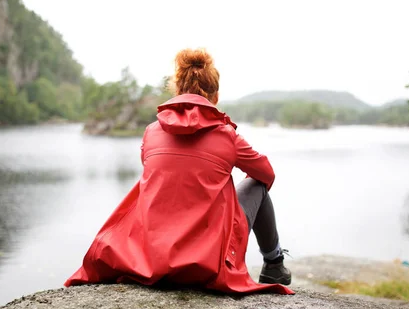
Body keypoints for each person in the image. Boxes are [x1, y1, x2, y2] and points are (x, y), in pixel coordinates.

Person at [65, 48, 293, 295]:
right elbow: (266, 174)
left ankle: (269, 261)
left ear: (177, 92)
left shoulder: (152, 131)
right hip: (207, 264)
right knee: (256, 185)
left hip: (152, 257)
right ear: (214, 97)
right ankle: (274, 263)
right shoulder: (226, 135)